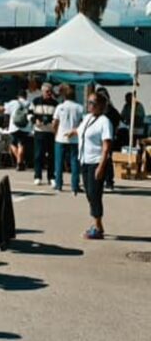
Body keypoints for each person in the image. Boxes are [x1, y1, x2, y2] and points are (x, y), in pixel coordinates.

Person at [78, 93, 113, 240]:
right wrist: (72, 132)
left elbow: (106, 146)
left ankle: (98, 228)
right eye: (88, 102)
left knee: (94, 195)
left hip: (96, 162)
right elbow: (81, 131)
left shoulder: (105, 122)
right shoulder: (88, 118)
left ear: (100, 105)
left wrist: (101, 166)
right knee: (89, 194)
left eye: (92, 102)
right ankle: (97, 224)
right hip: (85, 161)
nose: (89, 105)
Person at [52, 83, 84, 194]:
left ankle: (58, 184)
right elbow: (83, 123)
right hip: (74, 138)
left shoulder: (60, 107)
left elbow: (55, 122)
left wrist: (55, 133)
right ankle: (75, 186)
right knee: (75, 162)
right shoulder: (80, 107)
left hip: (61, 137)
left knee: (59, 162)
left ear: (64, 96)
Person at [31, 83, 58, 186]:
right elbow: (29, 114)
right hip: (39, 131)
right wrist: (35, 120)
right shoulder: (35, 101)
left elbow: (57, 117)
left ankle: (51, 177)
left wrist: (54, 123)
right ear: (42, 91)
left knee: (51, 155)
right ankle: (37, 176)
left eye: (50, 91)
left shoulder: (55, 103)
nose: (49, 93)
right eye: (47, 91)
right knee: (38, 155)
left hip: (50, 132)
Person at [4, 89, 33, 171]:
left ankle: (19, 162)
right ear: (26, 96)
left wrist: (5, 125)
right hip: (25, 127)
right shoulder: (29, 103)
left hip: (13, 127)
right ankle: (20, 162)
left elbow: (6, 113)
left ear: (18, 96)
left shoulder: (13, 102)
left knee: (12, 144)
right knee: (21, 144)